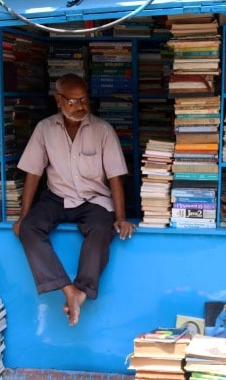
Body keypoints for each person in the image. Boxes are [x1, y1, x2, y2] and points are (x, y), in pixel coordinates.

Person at [12, 73, 137, 326]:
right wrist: (24, 215)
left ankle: (80, 291)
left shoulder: (103, 130)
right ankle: (65, 289)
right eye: (73, 101)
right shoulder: (44, 129)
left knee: (102, 230)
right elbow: (33, 173)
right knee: (28, 228)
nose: (80, 106)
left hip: (94, 200)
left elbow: (115, 178)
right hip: (56, 197)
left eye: (84, 100)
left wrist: (121, 217)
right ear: (58, 100)